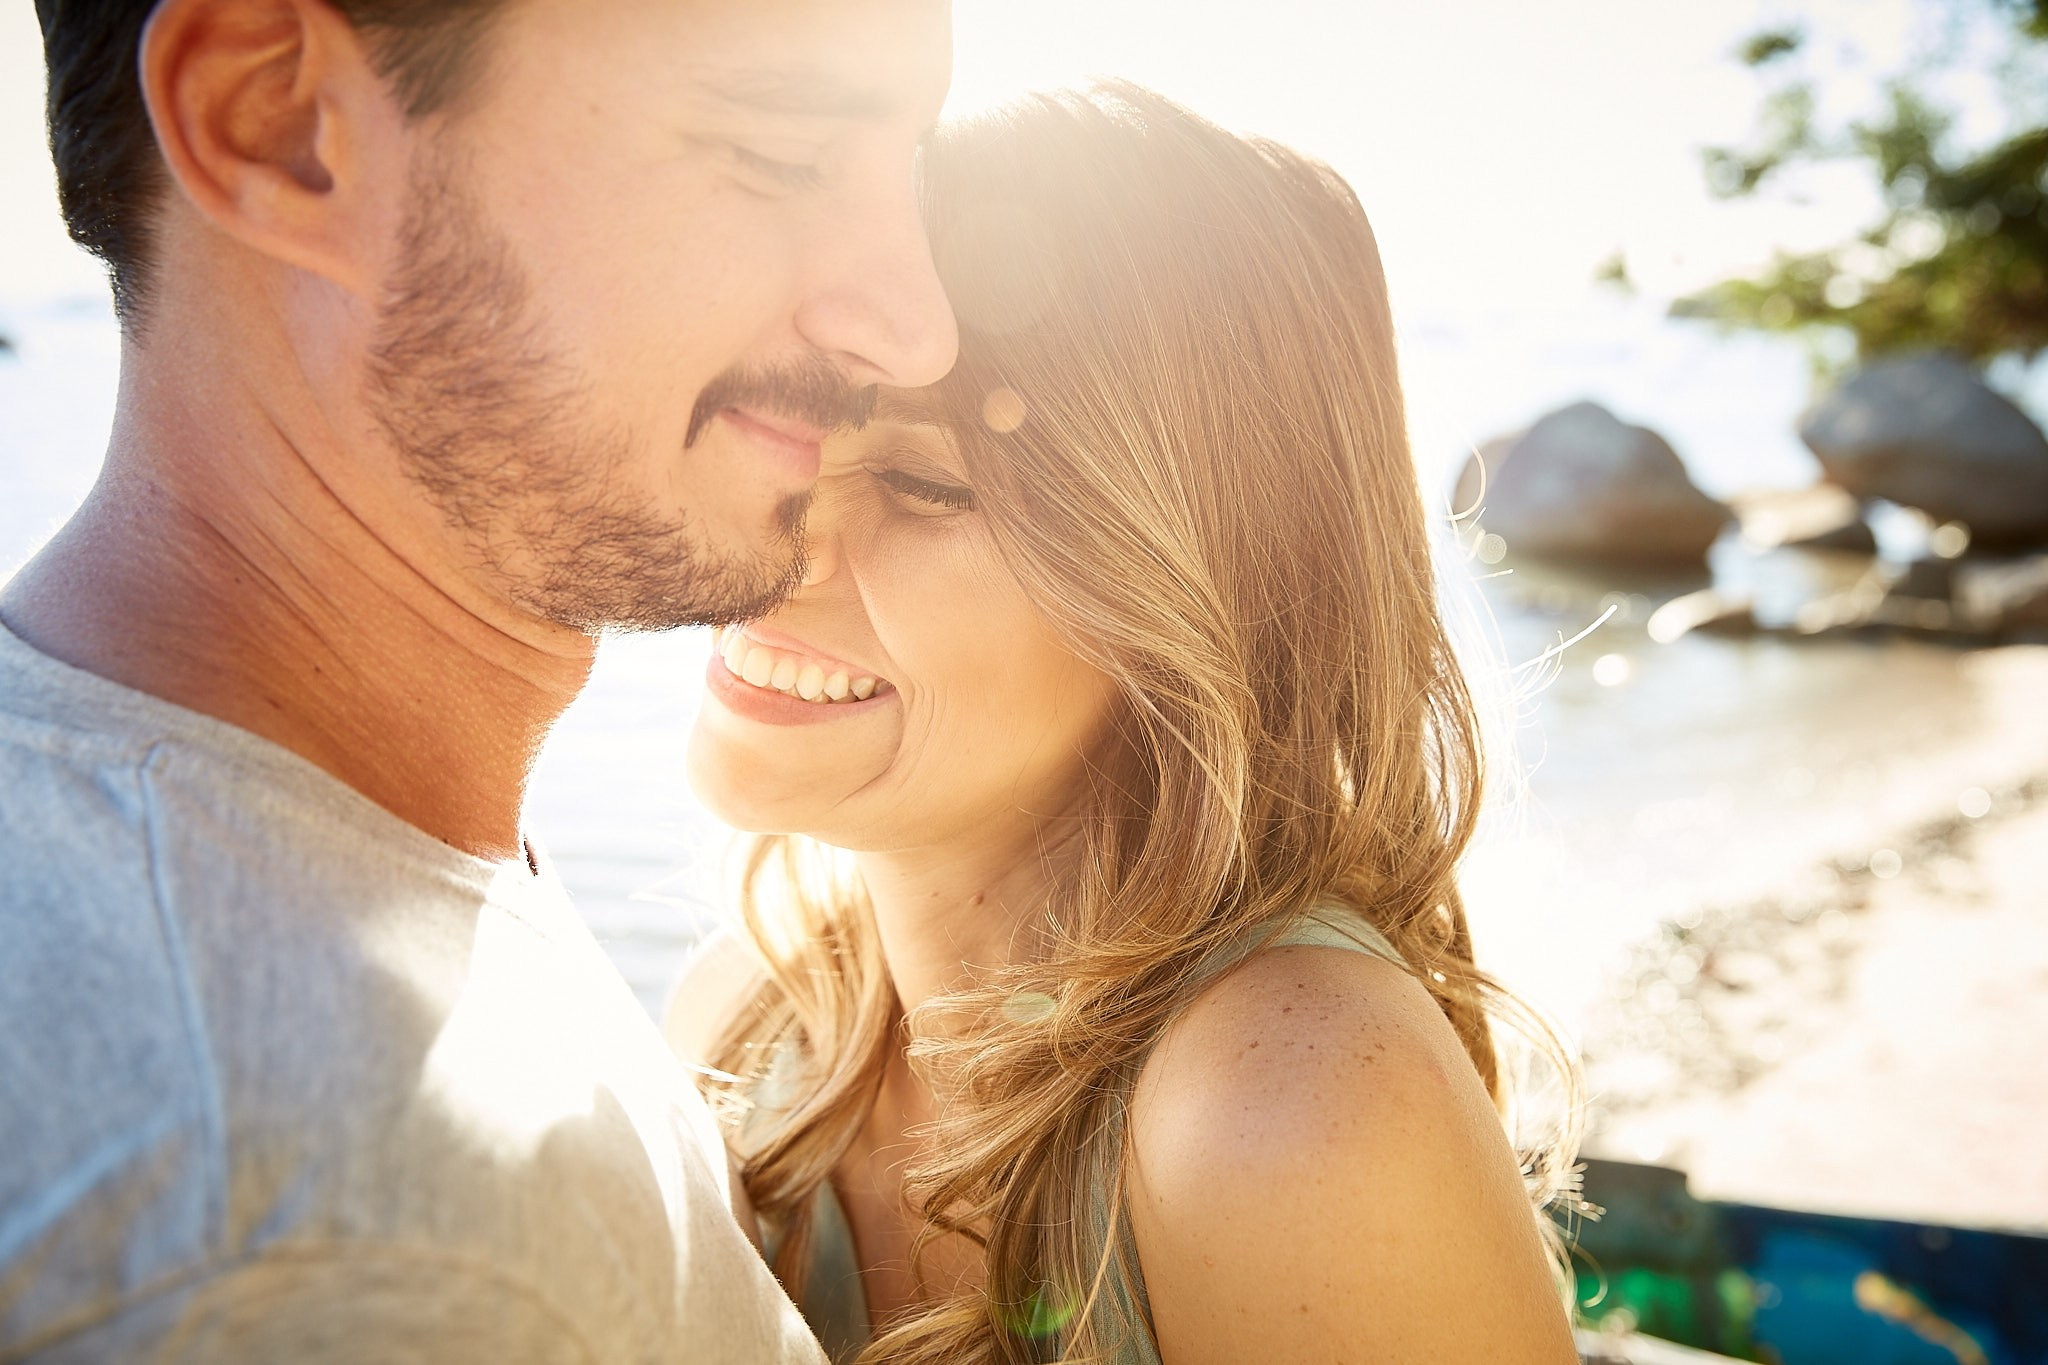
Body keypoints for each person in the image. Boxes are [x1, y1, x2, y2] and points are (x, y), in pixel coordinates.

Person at [2, 0, 955, 1359]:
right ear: (274, 126)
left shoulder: (320, 844)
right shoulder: (347, 1239)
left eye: (907, 166)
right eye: (778, 153)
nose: (914, 329)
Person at [670, 83, 1584, 1365]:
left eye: (929, 485)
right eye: (784, 430)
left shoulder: (1289, 1110)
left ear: (1202, 576)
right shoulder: (760, 1030)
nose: (778, 543)